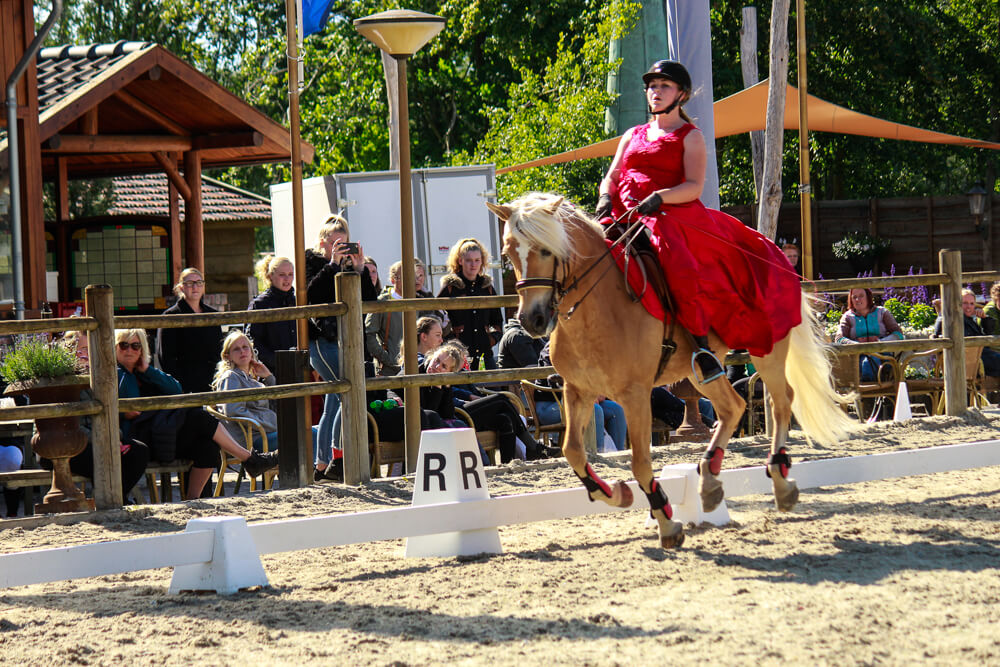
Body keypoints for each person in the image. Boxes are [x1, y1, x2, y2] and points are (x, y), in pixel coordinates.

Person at [595, 59, 802, 384]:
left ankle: (701, 348)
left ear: (682, 94)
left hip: (666, 215)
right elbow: (613, 174)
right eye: (652, 86)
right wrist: (605, 197)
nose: (655, 92)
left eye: (664, 86)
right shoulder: (632, 134)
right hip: (621, 212)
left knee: (680, 266)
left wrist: (660, 197)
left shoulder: (690, 136)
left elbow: (693, 186)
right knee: (579, 256)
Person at [116, 328, 278, 499]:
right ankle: (250, 459)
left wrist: (147, 370)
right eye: (124, 345)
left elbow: (175, 389)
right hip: (136, 437)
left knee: (208, 446)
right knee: (199, 417)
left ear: (142, 349)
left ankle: (193, 501)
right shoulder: (115, 374)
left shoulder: (146, 373)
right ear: (115, 348)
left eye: (135, 346)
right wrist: (123, 413)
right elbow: (123, 406)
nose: (129, 350)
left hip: (160, 433)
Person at [304, 214, 378, 481]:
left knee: (335, 399)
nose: (341, 249)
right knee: (347, 392)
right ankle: (336, 457)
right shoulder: (312, 262)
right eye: (336, 244)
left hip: (347, 339)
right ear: (323, 242)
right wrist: (332, 264)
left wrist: (359, 269)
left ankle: (323, 464)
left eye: (344, 244)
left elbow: (370, 301)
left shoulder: (349, 265)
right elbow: (311, 294)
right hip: (322, 340)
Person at [42, 330, 151, 499]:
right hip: (64, 444)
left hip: (95, 440)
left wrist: (115, 437)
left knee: (138, 450)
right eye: (82, 350)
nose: (86, 355)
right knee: (104, 456)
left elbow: (108, 416)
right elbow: (72, 426)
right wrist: (105, 440)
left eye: (89, 350)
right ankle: (108, 500)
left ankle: (117, 499)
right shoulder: (61, 380)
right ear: (69, 352)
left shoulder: (96, 378)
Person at [533, 341, 627, 453]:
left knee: (616, 409)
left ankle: (618, 453)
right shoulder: (554, 348)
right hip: (550, 406)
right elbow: (556, 380)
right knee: (594, 410)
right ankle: (598, 454)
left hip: (578, 399)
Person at [437, 238, 503, 370]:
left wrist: (491, 339)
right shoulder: (451, 287)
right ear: (460, 261)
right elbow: (437, 317)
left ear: (482, 261)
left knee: (495, 383)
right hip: (457, 358)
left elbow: (497, 320)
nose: (473, 265)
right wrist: (451, 342)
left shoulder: (487, 287)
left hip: (485, 355)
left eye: (477, 260)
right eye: (468, 260)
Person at [156, 267, 224, 392]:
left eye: (199, 283)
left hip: (212, 382)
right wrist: (179, 385)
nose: (195, 287)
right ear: (181, 287)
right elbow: (165, 357)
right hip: (184, 384)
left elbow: (219, 350)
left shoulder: (212, 314)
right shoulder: (170, 316)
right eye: (189, 283)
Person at [211, 330, 279, 453]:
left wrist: (269, 377)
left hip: (265, 433)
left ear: (251, 352)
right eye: (236, 349)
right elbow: (233, 411)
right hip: (252, 440)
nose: (242, 351)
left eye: (245, 347)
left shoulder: (250, 379)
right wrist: (267, 423)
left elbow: (279, 401)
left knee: (311, 431)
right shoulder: (231, 377)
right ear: (228, 356)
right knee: (307, 434)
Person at [836, 287, 903, 381]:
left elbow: (898, 334)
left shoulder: (882, 312)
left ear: (868, 297)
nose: (857, 299)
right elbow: (839, 339)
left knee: (870, 362)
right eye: (854, 297)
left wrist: (879, 342)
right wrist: (857, 345)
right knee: (866, 363)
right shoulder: (847, 317)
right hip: (858, 356)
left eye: (861, 296)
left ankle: (871, 387)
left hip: (883, 354)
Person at [933, 289, 1000, 377]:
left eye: (972, 304)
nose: (969, 307)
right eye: (965, 303)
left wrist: (985, 320)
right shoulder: (952, 317)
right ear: (957, 302)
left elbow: (985, 340)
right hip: (965, 361)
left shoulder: (965, 318)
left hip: (976, 357)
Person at [246, 256, 297, 372]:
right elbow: (252, 340)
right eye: (282, 275)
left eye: (290, 274)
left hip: (299, 367)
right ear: (270, 276)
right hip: (270, 370)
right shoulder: (259, 304)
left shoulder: (297, 302)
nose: (287, 279)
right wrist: (275, 361)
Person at [365, 260, 406, 377]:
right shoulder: (382, 302)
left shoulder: (420, 300)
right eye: (403, 277)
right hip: (389, 370)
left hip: (414, 365)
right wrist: (387, 358)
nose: (410, 280)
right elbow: (369, 333)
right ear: (393, 280)